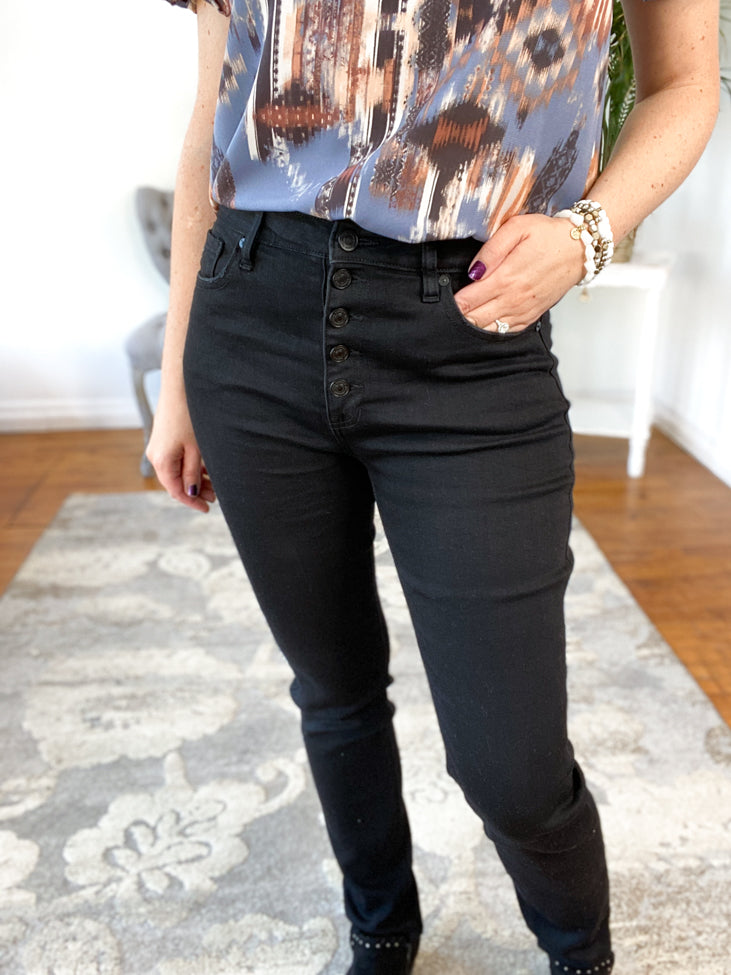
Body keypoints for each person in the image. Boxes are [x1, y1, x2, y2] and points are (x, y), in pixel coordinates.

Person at [147, 1, 719, 972]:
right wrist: (176, 382)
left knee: (512, 768)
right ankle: (381, 928)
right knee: (331, 688)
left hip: (469, 337)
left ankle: (580, 955)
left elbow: (682, 82)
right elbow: (213, 110)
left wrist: (585, 233)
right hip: (250, 316)